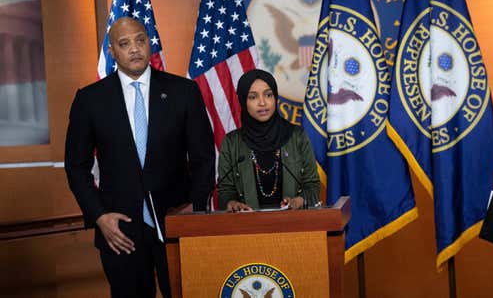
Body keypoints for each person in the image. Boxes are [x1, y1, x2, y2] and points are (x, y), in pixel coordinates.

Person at [65, 17, 215, 298]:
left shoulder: (184, 92)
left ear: (149, 43)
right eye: (124, 44)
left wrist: (195, 211)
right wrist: (99, 216)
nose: (134, 49)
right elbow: (76, 166)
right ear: (112, 51)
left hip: (176, 224)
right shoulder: (90, 99)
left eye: (140, 41)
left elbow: (204, 158)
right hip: (119, 231)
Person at [217, 69, 320, 212]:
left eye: (268, 95)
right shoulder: (231, 143)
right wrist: (231, 204)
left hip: (294, 227)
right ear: (243, 101)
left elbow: (312, 185)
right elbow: (225, 190)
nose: (262, 103)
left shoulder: (297, 136)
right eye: (253, 97)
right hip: (247, 229)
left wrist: (299, 201)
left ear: (275, 97)